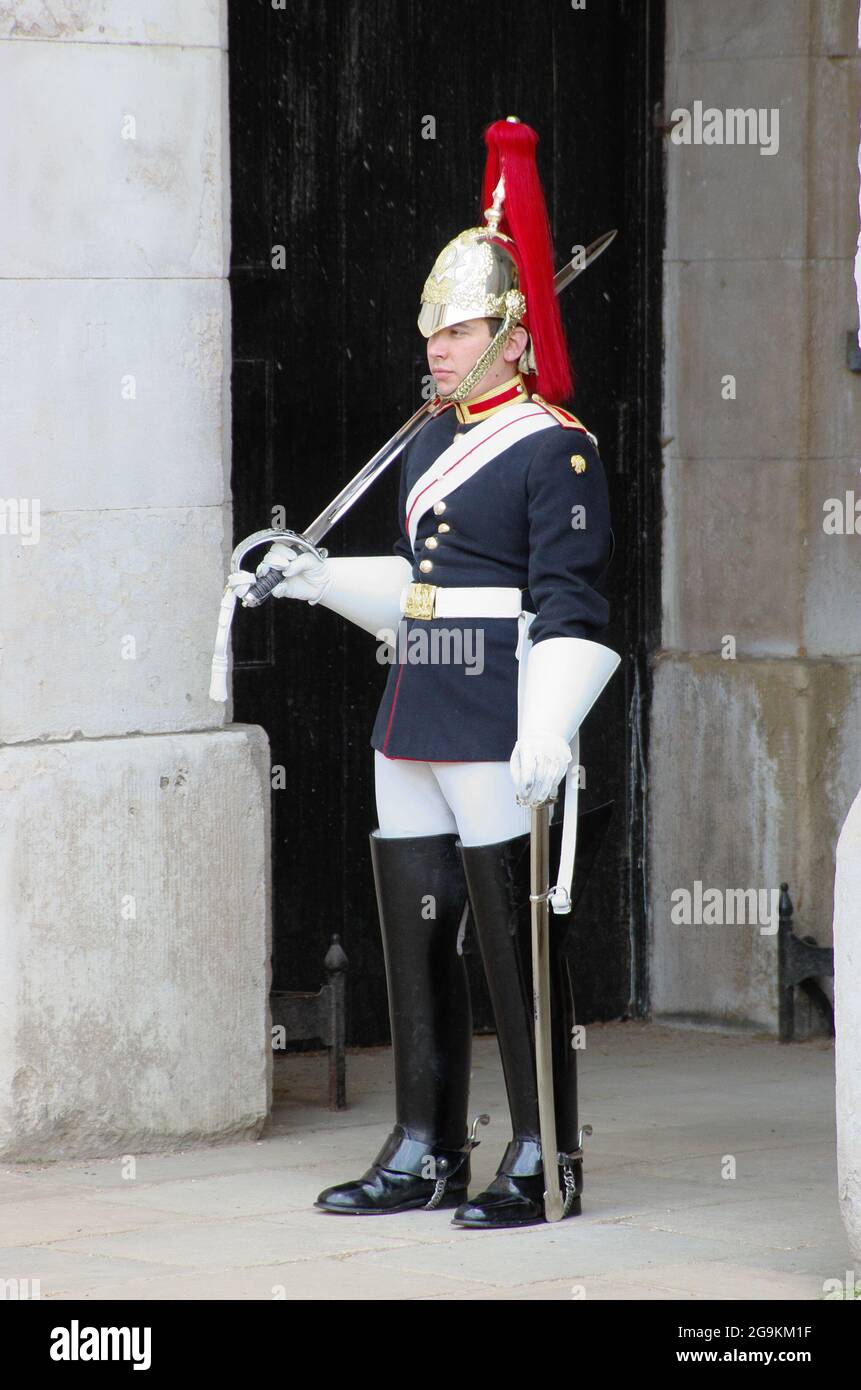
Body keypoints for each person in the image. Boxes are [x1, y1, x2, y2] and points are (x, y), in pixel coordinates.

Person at [253, 118, 619, 1228]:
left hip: (499, 710)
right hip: (414, 698)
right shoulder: (427, 443)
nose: (437, 345)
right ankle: (423, 1146)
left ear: (511, 336)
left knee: (514, 950)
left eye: (457, 329)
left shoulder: (558, 445)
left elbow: (571, 604)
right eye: (432, 328)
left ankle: (541, 1156)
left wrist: (549, 721)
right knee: (412, 941)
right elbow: (421, 591)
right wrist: (314, 579)